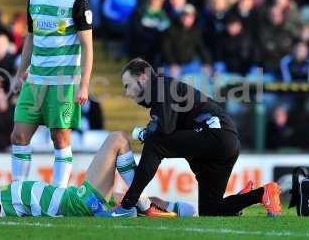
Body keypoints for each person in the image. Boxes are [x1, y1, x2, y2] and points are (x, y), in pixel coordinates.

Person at [100, 58, 282, 217]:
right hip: (225, 141)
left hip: (216, 136)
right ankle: (262, 194)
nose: (126, 92)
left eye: (127, 85)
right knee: (211, 210)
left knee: (155, 143)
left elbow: (163, 128)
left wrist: (146, 133)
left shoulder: (161, 86)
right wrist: (149, 131)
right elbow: (167, 126)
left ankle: (127, 205)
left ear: (142, 77)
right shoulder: (164, 89)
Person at [0, 132, 192, 218]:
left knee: (123, 196)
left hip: (72, 198)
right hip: (73, 202)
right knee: (117, 139)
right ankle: (145, 204)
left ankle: (173, 208)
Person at [11, 0, 93, 188]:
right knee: (19, 135)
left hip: (63, 82)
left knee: (59, 136)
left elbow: (87, 46)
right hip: (35, 80)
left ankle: (58, 193)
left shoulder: (78, 1)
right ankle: (18, 190)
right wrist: (19, 74)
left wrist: (84, 84)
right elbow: (30, 38)